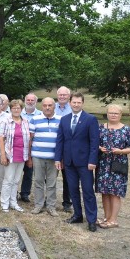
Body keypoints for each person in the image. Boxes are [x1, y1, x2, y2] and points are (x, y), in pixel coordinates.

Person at [54, 92, 99, 232]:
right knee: (73, 190)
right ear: (70, 103)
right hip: (68, 162)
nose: (76, 104)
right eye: (74, 102)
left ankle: (91, 220)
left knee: (87, 191)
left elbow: (94, 142)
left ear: (82, 103)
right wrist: (57, 158)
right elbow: (60, 140)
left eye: (79, 102)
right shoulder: (64, 119)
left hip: (85, 163)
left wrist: (92, 160)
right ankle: (77, 215)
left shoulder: (90, 119)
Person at [96, 104, 130, 229]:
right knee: (104, 191)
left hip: (118, 164)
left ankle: (113, 220)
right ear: (107, 114)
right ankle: (106, 217)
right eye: (111, 113)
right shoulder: (101, 128)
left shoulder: (126, 129)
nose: (113, 115)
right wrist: (99, 148)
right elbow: (93, 142)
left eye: (116, 113)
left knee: (115, 192)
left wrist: (121, 151)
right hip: (103, 163)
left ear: (120, 115)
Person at [29, 97, 62, 216]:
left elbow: (62, 140)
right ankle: (38, 205)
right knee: (38, 181)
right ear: (41, 106)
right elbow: (30, 139)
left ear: (54, 106)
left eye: (50, 105)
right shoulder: (35, 119)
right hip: (38, 156)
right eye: (45, 105)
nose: (47, 108)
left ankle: (51, 206)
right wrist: (29, 156)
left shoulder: (61, 120)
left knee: (52, 183)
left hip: (54, 158)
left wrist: (60, 157)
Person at [0, 99, 31, 213]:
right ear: (10, 109)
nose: (16, 110)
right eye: (14, 108)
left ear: (21, 109)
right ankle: (4, 203)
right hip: (10, 154)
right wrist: (3, 155)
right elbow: (1, 138)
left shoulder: (26, 121)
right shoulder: (6, 121)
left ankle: (13, 202)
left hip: (22, 154)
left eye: (18, 108)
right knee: (8, 180)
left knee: (16, 180)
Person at [19, 93, 42, 203]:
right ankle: (13, 193)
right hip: (18, 147)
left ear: (36, 102)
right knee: (16, 172)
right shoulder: (18, 112)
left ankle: (25, 193)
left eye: (32, 100)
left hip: (32, 147)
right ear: (25, 101)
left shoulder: (40, 115)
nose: (30, 102)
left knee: (29, 172)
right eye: (28, 100)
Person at [55, 86, 73, 212]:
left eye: (64, 95)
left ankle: (67, 202)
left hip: (68, 147)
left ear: (69, 96)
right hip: (54, 146)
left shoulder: (73, 109)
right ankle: (48, 200)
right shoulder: (51, 107)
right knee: (50, 176)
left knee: (68, 177)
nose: (62, 97)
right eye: (60, 95)